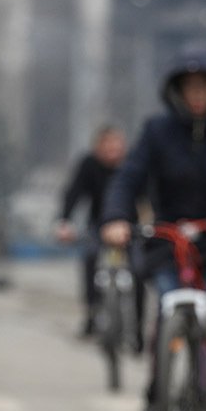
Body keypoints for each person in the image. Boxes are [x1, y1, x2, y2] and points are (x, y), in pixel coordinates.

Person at [100, 44, 206, 411]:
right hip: (168, 241)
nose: (197, 94)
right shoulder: (156, 131)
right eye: (190, 87)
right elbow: (128, 178)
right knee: (168, 307)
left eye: (205, 86)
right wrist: (117, 218)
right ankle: (158, 395)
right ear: (177, 91)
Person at [54, 124, 142, 345]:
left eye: (116, 144)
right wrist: (64, 221)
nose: (112, 150)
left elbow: (149, 194)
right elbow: (73, 193)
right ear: (97, 147)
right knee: (90, 258)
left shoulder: (134, 164)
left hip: (131, 227)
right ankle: (92, 314)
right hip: (99, 226)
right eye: (107, 145)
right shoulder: (89, 165)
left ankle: (139, 328)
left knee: (139, 268)